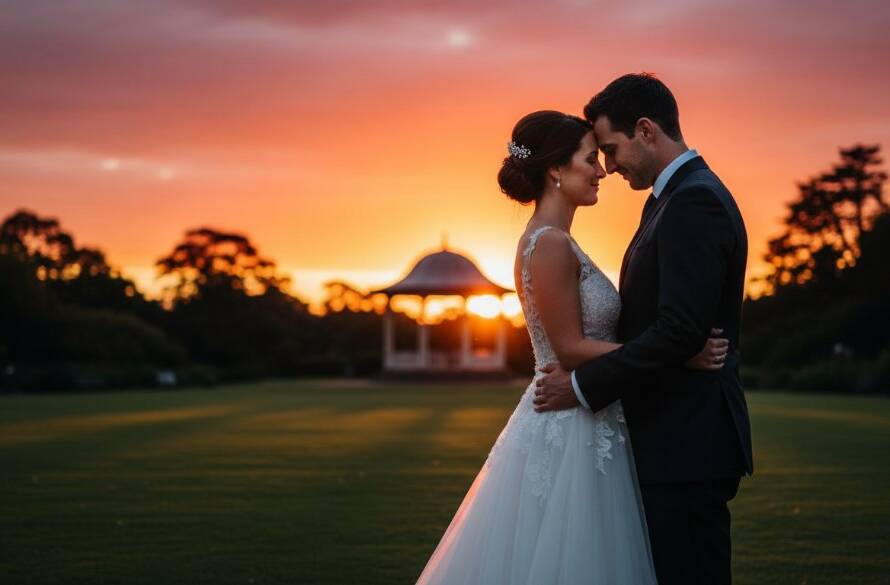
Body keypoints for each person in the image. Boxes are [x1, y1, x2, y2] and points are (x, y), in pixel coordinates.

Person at [415, 108, 729, 584]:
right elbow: (569, 349)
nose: (602, 170)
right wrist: (679, 355)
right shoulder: (551, 245)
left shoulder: (555, 240)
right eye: (590, 158)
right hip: (573, 423)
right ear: (555, 170)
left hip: (589, 412)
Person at [534, 74, 753, 585]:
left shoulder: (693, 201)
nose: (609, 167)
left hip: (687, 444)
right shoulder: (668, 199)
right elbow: (666, 331)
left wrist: (581, 386)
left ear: (647, 130)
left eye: (611, 149)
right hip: (669, 439)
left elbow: (678, 330)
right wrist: (677, 349)